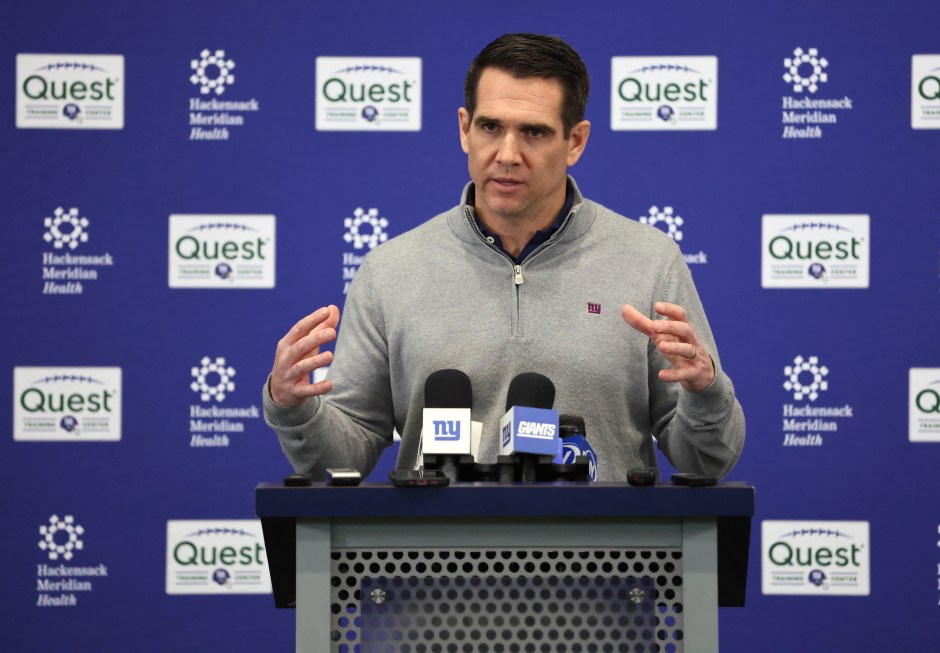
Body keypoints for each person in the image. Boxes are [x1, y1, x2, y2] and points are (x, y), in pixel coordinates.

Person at [264, 33, 744, 482]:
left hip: (605, 565)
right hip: (433, 565)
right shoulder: (389, 270)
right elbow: (345, 456)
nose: (508, 153)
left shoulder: (649, 261)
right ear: (464, 129)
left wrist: (706, 394)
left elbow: (706, 460)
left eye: (533, 132)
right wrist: (292, 407)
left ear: (575, 141)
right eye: (491, 127)